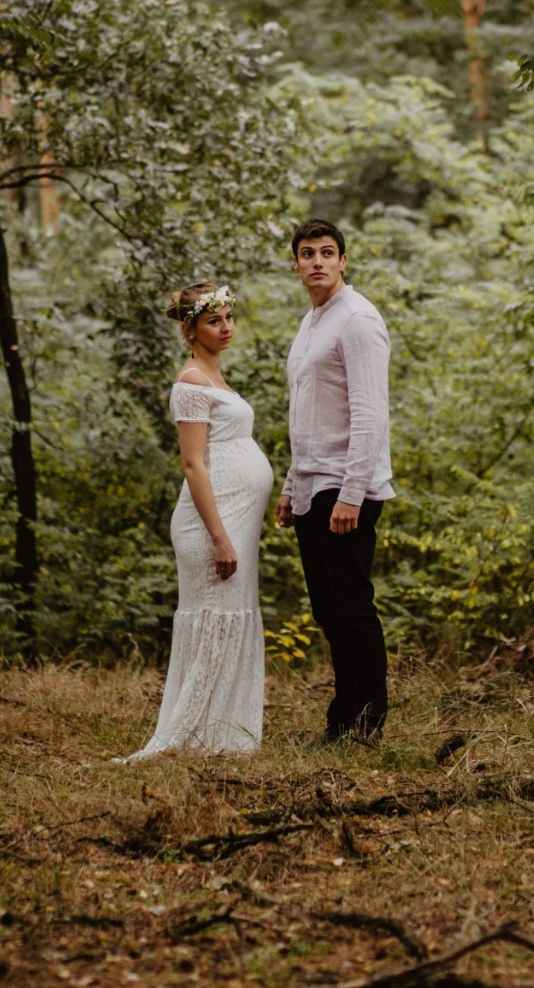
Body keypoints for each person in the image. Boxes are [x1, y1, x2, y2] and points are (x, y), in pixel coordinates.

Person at [116, 282, 273, 761]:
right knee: (213, 621)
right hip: (212, 527)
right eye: (213, 321)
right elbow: (193, 464)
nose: (225, 328)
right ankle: (192, 733)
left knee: (230, 617)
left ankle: (221, 732)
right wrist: (220, 538)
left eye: (228, 317)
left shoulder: (213, 378)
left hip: (235, 521)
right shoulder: (189, 383)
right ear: (190, 329)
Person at [274, 220, 395, 741]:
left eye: (328, 252)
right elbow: (310, 413)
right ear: (296, 264)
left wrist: (350, 493)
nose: (318, 261)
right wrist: (289, 484)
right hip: (312, 484)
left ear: (343, 261)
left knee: (351, 607)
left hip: (345, 488)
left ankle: (365, 721)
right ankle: (344, 716)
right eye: (308, 253)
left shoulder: (357, 320)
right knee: (328, 610)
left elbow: (371, 415)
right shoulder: (312, 321)